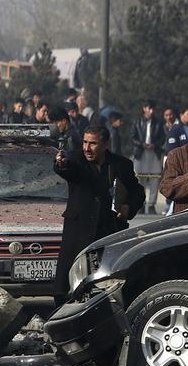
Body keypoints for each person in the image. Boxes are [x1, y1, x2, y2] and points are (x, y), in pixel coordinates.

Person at [52, 125, 144, 304]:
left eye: (93, 143)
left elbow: (137, 192)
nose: (87, 148)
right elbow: (65, 168)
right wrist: (60, 164)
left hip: (109, 231)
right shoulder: (75, 160)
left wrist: (127, 207)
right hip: (78, 231)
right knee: (67, 284)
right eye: (85, 142)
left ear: (105, 144)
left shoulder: (121, 165)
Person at [130, 99, 167, 215]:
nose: (151, 111)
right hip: (141, 153)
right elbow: (132, 136)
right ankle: (140, 203)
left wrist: (154, 145)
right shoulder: (137, 122)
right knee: (139, 179)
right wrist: (141, 144)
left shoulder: (158, 123)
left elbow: (163, 137)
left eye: (152, 109)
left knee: (154, 179)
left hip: (154, 153)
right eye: (149, 108)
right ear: (144, 109)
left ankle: (151, 204)